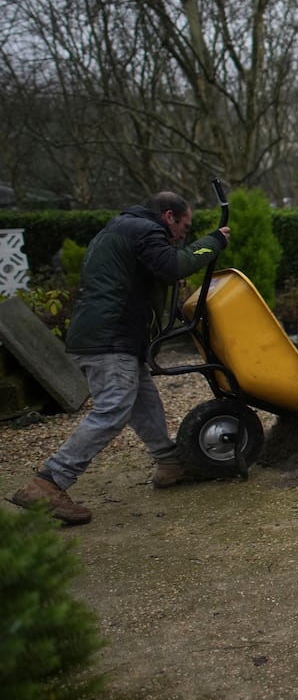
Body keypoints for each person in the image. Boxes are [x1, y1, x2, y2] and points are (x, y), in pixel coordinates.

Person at [10, 192, 230, 525]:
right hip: (109, 338)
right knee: (113, 408)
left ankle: (170, 463)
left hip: (108, 335)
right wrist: (212, 241)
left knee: (143, 400)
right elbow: (172, 265)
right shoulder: (144, 230)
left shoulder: (124, 227)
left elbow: (141, 273)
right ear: (168, 216)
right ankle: (49, 481)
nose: (184, 233)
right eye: (185, 226)